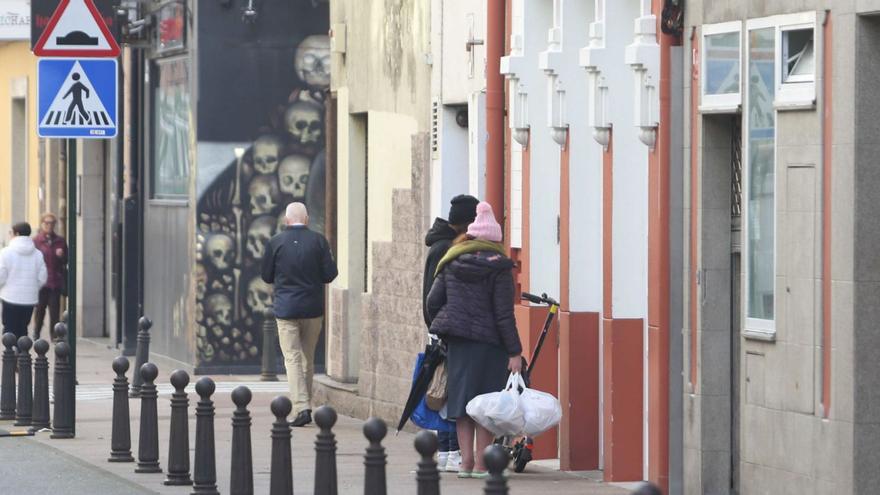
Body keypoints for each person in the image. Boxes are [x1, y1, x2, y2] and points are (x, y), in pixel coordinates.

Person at [426, 201, 523, 479]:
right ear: (495, 239)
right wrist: (514, 351)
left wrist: (449, 321)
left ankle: (465, 463)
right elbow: (504, 315)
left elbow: (433, 301)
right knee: (487, 404)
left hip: (458, 343)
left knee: (462, 403)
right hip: (490, 346)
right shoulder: (500, 269)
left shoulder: (452, 261)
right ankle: (483, 464)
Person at [261, 202, 338, 427]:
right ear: (306, 220)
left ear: (286, 221)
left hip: (285, 309)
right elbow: (330, 274)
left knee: (292, 358)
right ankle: (304, 404)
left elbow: (266, 276)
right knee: (307, 358)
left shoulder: (275, 242)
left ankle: (301, 406)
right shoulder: (319, 241)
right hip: (313, 309)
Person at [422, 194, 479, 472]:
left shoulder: (440, 245)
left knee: (446, 388)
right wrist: (441, 327)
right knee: (447, 389)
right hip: (446, 329)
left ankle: (447, 450)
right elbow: (437, 296)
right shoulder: (446, 249)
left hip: (440, 326)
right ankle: (450, 449)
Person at [0, 223, 48, 341]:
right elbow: (42, 277)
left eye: (11, 233)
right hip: (29, 298)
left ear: (16, 234)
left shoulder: (6, 252)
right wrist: (33, 287)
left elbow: (1, 275)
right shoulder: (37, 254)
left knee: (9, 328)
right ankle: (22, 355)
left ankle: (10, 356)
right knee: (23, 328)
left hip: (10, 297)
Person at [32, 213, 68, 340]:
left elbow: (66, 261)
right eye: (47, 223)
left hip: (55, 281)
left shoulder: (60, 241)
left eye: (52, 223)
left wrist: (62, 255)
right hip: (41, 282)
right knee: (40, 309)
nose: (49, 225)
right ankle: (36, 332)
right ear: (42, 224)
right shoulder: (36, 241)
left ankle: (54, 335)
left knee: (54, 310)